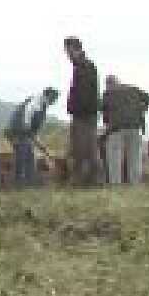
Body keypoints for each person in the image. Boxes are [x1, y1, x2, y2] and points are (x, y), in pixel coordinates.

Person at [100, 74, 149, 186]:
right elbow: (148, 98)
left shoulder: (108, 94)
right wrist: (141, 110)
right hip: (135, 126)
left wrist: (107, 124)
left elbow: (104, 112)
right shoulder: (133, 89)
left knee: (114, 155)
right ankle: (135, 183)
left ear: (108, 84)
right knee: (135, 156)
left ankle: (115, 183)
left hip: (117, 128)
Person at [63, 37, 100, 187]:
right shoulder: (81, 66)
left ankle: (94, 182)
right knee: (79, 150)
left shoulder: (85, 66)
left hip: (85, 116)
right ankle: (82, 182)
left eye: (68, 50)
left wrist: (74, 108)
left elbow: (84, 94)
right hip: (82, 115)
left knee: (87, 150)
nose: (67, 54)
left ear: (74, 49)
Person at [5, 88, 58, 188]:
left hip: (19, 131)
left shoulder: (41, 104)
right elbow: (29, 112)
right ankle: (27, 185)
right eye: (54, 98)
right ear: (49, 95)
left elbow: (33, 132)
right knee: (27, 158)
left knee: (21, 158)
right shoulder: (38, 100)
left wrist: (42, 146)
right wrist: (25, 127)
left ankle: (19, 185)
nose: (54, 101)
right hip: (20, 131)